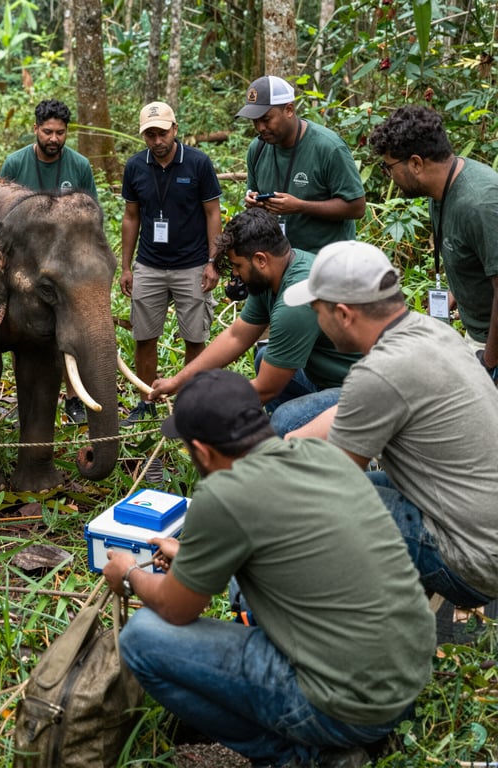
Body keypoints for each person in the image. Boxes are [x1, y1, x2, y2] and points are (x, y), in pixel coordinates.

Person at [104, 368, 435, 767]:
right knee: (241, 591)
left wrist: (127, 573)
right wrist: (193, 556)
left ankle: (300, 757)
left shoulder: (225, 493)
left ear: (204, 452)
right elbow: (292, 550)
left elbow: (177, 608)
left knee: (142, 638)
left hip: (347, 708)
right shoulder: (320, 455)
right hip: (407, 684)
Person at [283, 240, 498, 606]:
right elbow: (348, 413)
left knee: (304, 507)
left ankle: (331, 622)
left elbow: (333, 483)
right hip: (482, 522)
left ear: (344, 314)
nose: (316, 320)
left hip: (473, 560)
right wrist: (291, 439)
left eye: (317, 311)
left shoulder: (379, 373)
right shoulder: (431, 332)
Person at [149, 208, 359, 435]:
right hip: (328, 378)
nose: (236, 275)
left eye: (238, 266)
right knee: (264, 357)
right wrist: (177, 382)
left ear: (260, 259)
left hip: (362, 392)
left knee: (284, 421)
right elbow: (236, 336)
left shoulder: (296, 301)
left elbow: (266, 388)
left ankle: (292, 444)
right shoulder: (275, 271)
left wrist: (201, 412)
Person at [369, 105, 498, 379]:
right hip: (478, 335)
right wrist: (455, 293)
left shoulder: (480, 203)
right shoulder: (440, 191)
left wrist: (488, 362)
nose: (389, 175)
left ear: (416, 163)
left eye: (388, 167)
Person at [120, 101, 222, 425]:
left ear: (174, 129)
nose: (157, 140)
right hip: (149, 265)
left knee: (195, 337)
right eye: (149, 134)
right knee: (144, 336)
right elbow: (131, 216)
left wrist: (213, 261)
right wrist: (126, 266)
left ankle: (189, 406)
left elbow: (212, 212)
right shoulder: (135, 167)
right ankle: (146, 402)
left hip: (191, 265)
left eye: (162, 132)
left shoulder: (197, 163)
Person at [0, 98, 98, 423]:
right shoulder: (15, 165)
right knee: (21, 330)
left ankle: (73, 397)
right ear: (35, 130)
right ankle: (25, 396)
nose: (54, 139)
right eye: (47, 132)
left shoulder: (79, 165)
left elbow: (90, 216)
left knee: (72, 329)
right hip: (24, 266)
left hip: (67, 266)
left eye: (60, 132)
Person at [237, 75, 366, 254]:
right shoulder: (257, 148)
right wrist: (252, 201)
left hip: (328, 261)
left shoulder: (328, 147)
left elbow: (357, 207)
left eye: (266, 119)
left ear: (289, 110)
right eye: (255, 121)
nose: (260, 128)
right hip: (281, 263)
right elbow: (253, 193)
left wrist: (300, 206)